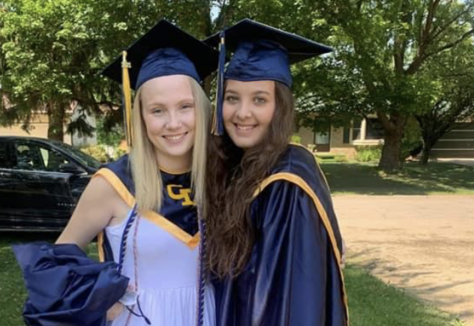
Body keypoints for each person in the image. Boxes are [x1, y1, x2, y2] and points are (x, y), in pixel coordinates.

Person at [55, 20, 218, 326]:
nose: (173, 123)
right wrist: (97, 299)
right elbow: (59, 256)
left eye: (185, 106)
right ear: (140, 117)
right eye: (157, 110)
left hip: (208, 316)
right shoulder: (113, 184)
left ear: (203, 108)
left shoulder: (219, 177)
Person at [203, 19, 349, 326]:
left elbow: (290, 300)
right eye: (232, 98)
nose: (243, 113)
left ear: (279, 107)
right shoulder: (236, 167)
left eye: (259, 99)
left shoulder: (287, 182)